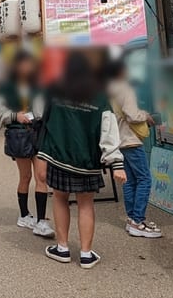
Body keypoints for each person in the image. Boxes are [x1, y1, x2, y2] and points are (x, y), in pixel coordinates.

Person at [36, 50, 124, 269]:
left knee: (59, 198)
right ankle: (86, 254)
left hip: (58, 157)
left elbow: (41, 116)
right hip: (87, 159)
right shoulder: (99, 94)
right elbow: (108, 128)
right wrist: (116, 163)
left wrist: (42, 156)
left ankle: (63, 248)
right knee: (85, 204)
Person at [0, 51, 54, 238]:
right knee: (25, 176)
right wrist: (14, 115)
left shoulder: (39, 85)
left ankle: (41, 221)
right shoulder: (6, 87)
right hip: (20, 133)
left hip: (39, 132)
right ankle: (24, 214)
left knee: (42, 176)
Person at [107, 56, 161, 238]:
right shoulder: (124, 88)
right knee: (144, 179)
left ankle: (132, 219)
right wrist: (145, 115)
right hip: (131, 140)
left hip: (119, 140)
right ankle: (138, 220)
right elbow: (132, 115)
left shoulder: (109, 89)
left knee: (129, 181)